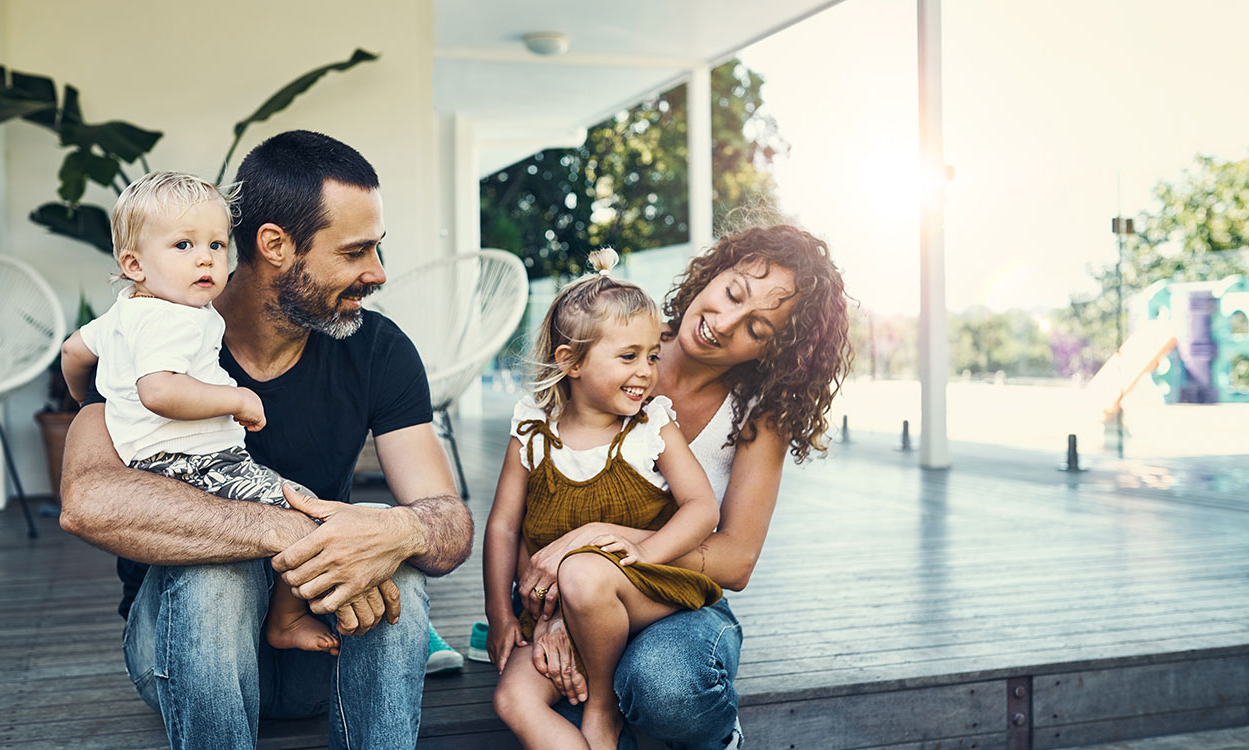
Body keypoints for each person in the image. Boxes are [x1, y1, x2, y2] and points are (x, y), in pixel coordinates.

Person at [59, 130, 475, 750]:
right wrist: (284, 530)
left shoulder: (378, 350)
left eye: (377, 249)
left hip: (319, 645)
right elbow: (88, 500)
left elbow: (449, 523)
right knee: (218, 573)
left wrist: (398, 533)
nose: (378, 273)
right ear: (276, 245)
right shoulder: (146, 330)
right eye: (356, 252)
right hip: (180, 649)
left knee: (398, 570)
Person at [514, 225, 853, 749]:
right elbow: (526, 504)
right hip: (574, 588)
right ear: (714, 272)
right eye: (733, 293)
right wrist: (551, 611)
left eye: (757, 328)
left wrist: (602, 543)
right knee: (550, 685)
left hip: (683, 600)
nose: (725, 322)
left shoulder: (757, 416)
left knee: (665, 687)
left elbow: (737, 560)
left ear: (772, 352)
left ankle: (721, 737)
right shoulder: (609, 338)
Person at [61, 171, 338, 656]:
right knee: (306, 511)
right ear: (134, 263)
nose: (206, 257)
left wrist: (91, 399)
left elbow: (71, 352)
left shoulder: (126, 311)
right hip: (198, 463)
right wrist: (238, 399)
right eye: (183, 245)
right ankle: (286, 618)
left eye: (216, 243)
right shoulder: (174, 318)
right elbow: (159, 392)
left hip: (152, 467)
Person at [484, 249, 722, 750]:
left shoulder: (651, 427)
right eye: (628, 356)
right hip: (557, 608)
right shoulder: (531, 429)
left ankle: (602, 707)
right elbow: (505, 526)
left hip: (643, 592)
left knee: (584, 572)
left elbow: (703, 507)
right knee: (513, 700)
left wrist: (645, 554)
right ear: (569, 361)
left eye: (652, 355)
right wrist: (502, 616)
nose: (645, 372)